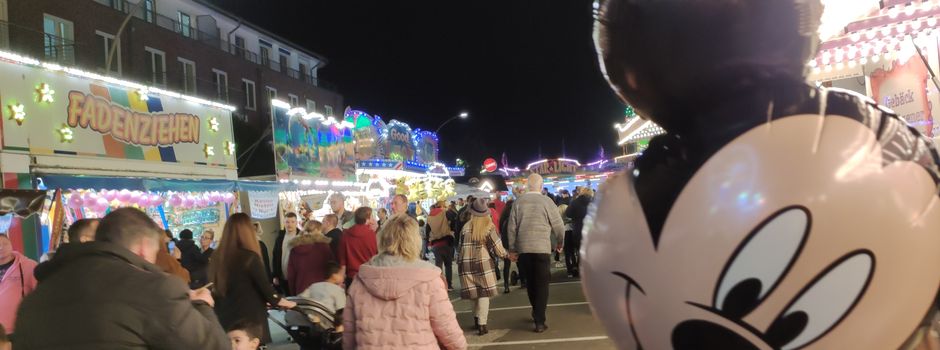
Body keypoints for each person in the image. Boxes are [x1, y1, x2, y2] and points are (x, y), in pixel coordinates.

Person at [14, 208, 229, 348]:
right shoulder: (154, 290)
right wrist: (202, 304)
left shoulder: (35, 300)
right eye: (156, 253)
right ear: (144, 248)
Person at [344, 214, 467, 349]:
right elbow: (447, 329)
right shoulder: (429, 279)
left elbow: (349, 335)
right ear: (415, 240)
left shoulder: (361, 280)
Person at [210, 213, 296, 345]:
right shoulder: (250, 258)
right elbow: (266, 290)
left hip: (225, 318)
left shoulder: (217, 257)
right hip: (249, 319)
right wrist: (287, 302)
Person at [507, 173, 565, 333]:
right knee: (542, 284)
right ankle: (540, 319)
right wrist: (560, 242)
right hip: (542, 248)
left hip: (524, 249)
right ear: (541, 186)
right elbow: (558, 225)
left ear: (527, 186)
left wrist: (512, 248)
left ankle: (535, 312)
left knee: (531, 283)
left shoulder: (518, 202)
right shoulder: (547, 201)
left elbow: (511, 228)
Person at [458, 198, 509, 336]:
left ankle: (476, 319)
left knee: (474, 294)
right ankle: (482, 324)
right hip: (483, 264)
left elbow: (459, 248)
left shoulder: (465, 227)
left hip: (465, 264)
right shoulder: (488, 226)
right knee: (484, 295)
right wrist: (507, 255)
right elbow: (498, 248)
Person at [0, 233, 37, 334]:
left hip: (19, 329)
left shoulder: (29, 266)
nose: (1, 247)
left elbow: (41, 292)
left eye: (5, 244)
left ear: (11, 244)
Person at [287, 220, 335, 295]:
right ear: (317, 231)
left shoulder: (295, 248)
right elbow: (331, 269)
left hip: (301, 290)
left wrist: (294, 293)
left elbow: (291, 275)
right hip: (322, 290)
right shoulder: (324, 247)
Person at [298, 261, 346, 330]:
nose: (343, 276)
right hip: (329, 322)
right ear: (334, 275)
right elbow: (341, 310)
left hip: (312, 320)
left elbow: (301, 298)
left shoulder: (314, 286)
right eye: (341, 274)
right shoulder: (338, 290)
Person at [337, 207, 378, 288]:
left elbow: (342, 261)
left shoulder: (345, 235)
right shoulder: (371, 235)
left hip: (351, 278)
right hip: (369, 276)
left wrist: (340, 281)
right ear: (368, 218)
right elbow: (377, 256)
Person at [564, 187, 592, 278]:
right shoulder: (594, 202)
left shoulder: (574, 202)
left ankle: (580, 270)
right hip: (591, 230)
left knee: (580, 250)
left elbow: (568, 214)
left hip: (578, 229)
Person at [427, 200, 455, 290]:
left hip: (435, 243)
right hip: (446, 241)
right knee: (448, 265)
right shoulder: (446, 213)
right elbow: (454, 223)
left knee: (438, 266)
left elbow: (427, 230)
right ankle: (449, 285)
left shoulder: (429, 216)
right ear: (442, 206)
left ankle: (439, 285)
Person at [273, 212, 300, 295]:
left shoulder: (301, 237)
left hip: (297, 277)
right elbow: (275, 256)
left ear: (296, 223)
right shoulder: (280, 238)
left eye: (292, 222)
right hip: (283, 276)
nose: (290, 224)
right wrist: (275, 275)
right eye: (287, 222)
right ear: (284, 223)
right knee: (288, 299)